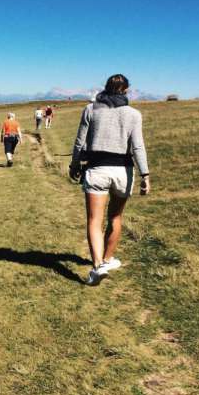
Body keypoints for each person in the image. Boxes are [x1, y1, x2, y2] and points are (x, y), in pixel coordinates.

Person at [69, 74, 150, 285]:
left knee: (94, 220)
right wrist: (145, 175)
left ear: (105, 88)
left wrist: (75, 165)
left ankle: (98, 266)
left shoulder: (91, 109)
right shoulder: (134, 114)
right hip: (123, 171)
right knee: (115, 218)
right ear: (126, 91)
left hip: (97, 169)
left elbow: (79, 142)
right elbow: (138, 146)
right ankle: (107, 259)